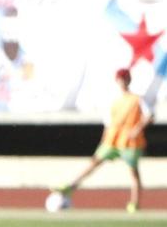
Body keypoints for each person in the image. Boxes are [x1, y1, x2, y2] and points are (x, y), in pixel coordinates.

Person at [52, 67, 151, 212]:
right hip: (112, 140)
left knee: (133, 172)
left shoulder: (137, 99)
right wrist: (104, 139)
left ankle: (134, 203)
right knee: (94, 162)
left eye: (124, 79)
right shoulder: (114, 100)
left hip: (129, 142)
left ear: (129, 80)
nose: (122, 82)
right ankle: (70, 187)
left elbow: (149, 115)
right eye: (120, 80)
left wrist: (136, 130)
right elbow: (108, 122)